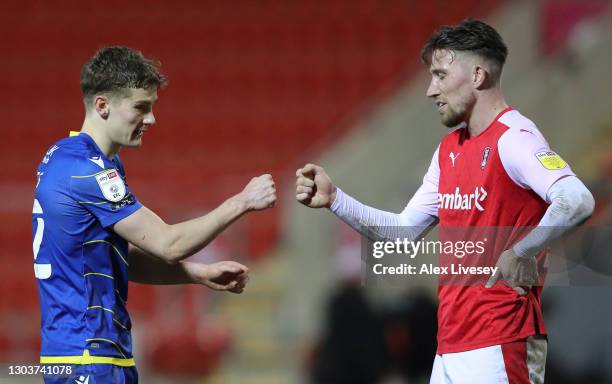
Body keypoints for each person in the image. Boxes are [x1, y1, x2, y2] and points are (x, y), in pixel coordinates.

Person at [295, 19, 594, 384]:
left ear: (478, 75)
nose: (429, 90)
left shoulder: (514, 138)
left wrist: (522, 251)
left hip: (501, 342)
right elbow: (403, 232)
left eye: (439, 75)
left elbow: (576, 199)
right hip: (450, 346)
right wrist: (335, 199)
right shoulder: (449, 150)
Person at [32, 46, 276, 383]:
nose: (151, 119)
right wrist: (242, 202)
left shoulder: (67, 157)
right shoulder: (86, 171)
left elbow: (114, 256)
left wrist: (195, 274)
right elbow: (168, 243)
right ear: (103, 105)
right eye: (140, 108)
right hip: (86, 357)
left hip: (95, 353)